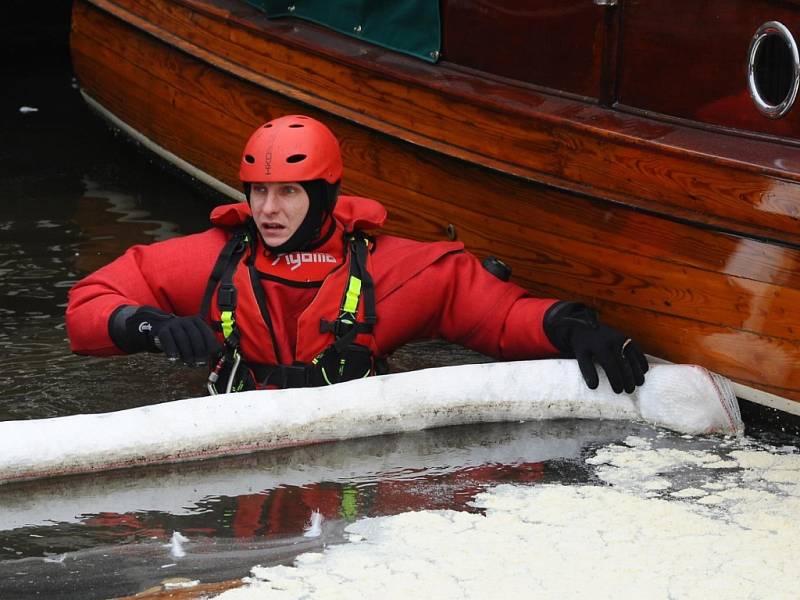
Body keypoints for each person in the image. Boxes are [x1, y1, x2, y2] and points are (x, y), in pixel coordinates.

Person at [66, 115, 648, 394]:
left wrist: (571, 327)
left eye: (288, 192)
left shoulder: (392, 269)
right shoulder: (211, 259)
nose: (269, 210)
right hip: (235, 434)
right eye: (259, 192)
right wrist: (147, 325)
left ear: (323, 196)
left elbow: (494, 315)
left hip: (352, 448)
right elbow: (87, 304)